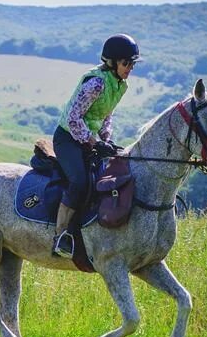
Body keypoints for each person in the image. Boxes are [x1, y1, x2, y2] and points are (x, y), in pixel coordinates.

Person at [51, 34, 141, 257]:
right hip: (68, 138)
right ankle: (60, 237)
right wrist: (93, 142)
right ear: (112, 62)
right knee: (80, 182)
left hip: (90, 139)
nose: (130, 68)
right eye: (126, 63)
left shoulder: (121, 85)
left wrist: (106, 140)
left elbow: (106, 115)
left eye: (132, 64)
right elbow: (74, 118)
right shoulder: (96, 83)